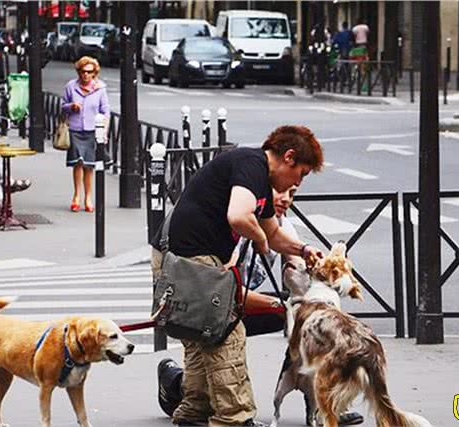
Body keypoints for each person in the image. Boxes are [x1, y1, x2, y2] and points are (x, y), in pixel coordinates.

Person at [151, 125, 324, 427]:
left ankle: (194, 411)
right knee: (225, 332)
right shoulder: (251, 165)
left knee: (200, 338)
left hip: (188, 257)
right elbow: (239, 216)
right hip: (188, 257)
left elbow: (274, 234)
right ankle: (234, 418)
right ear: (289, 157)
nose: (298, 182)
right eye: (302, 173)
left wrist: (303, 248)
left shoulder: (259, 180)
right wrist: (257, 237)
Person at [158, 184, 365, 426]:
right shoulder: (235, 225)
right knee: (208, 375)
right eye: (280, 192)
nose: (286, 199)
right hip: (209, 303)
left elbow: (295, 268)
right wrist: (282, 305)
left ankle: (320, 402)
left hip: (238, 302)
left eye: (292, 194)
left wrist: (311, 279)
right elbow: (226, 291)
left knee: (310, 329)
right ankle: (172, 383)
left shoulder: (280, 225)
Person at [61, 56, 109, 213]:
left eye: (89, 72)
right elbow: (63, 106)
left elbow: (105, 111)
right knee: (78, 163)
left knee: (89, 165)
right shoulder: (71, 86)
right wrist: (71, 107)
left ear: (94, 73)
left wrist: (104, 132)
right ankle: (76, 196)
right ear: (78, 72)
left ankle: (88, 197)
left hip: (92, 130)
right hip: (75, 129)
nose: (86, 75)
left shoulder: (100, 88)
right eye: (83, 71)